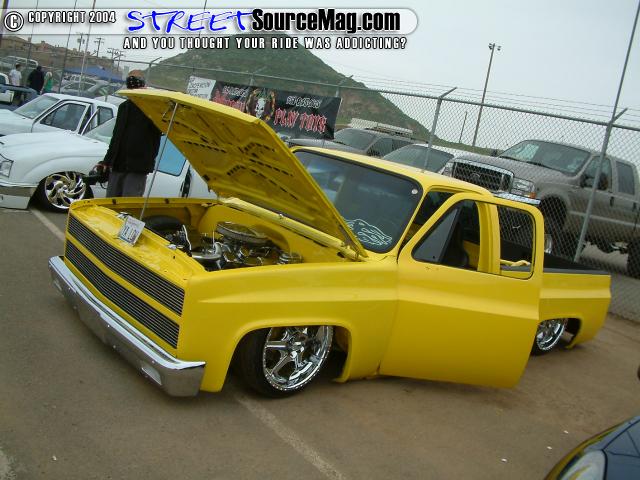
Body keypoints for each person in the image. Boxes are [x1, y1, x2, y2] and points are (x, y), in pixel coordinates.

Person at [95, 71, 161, 197]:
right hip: (117, 165)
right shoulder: (124, 107)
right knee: (110, 202)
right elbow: (116, 137)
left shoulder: (152, 109)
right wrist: (106, 161)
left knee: (128, 204)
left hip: (137, 168)